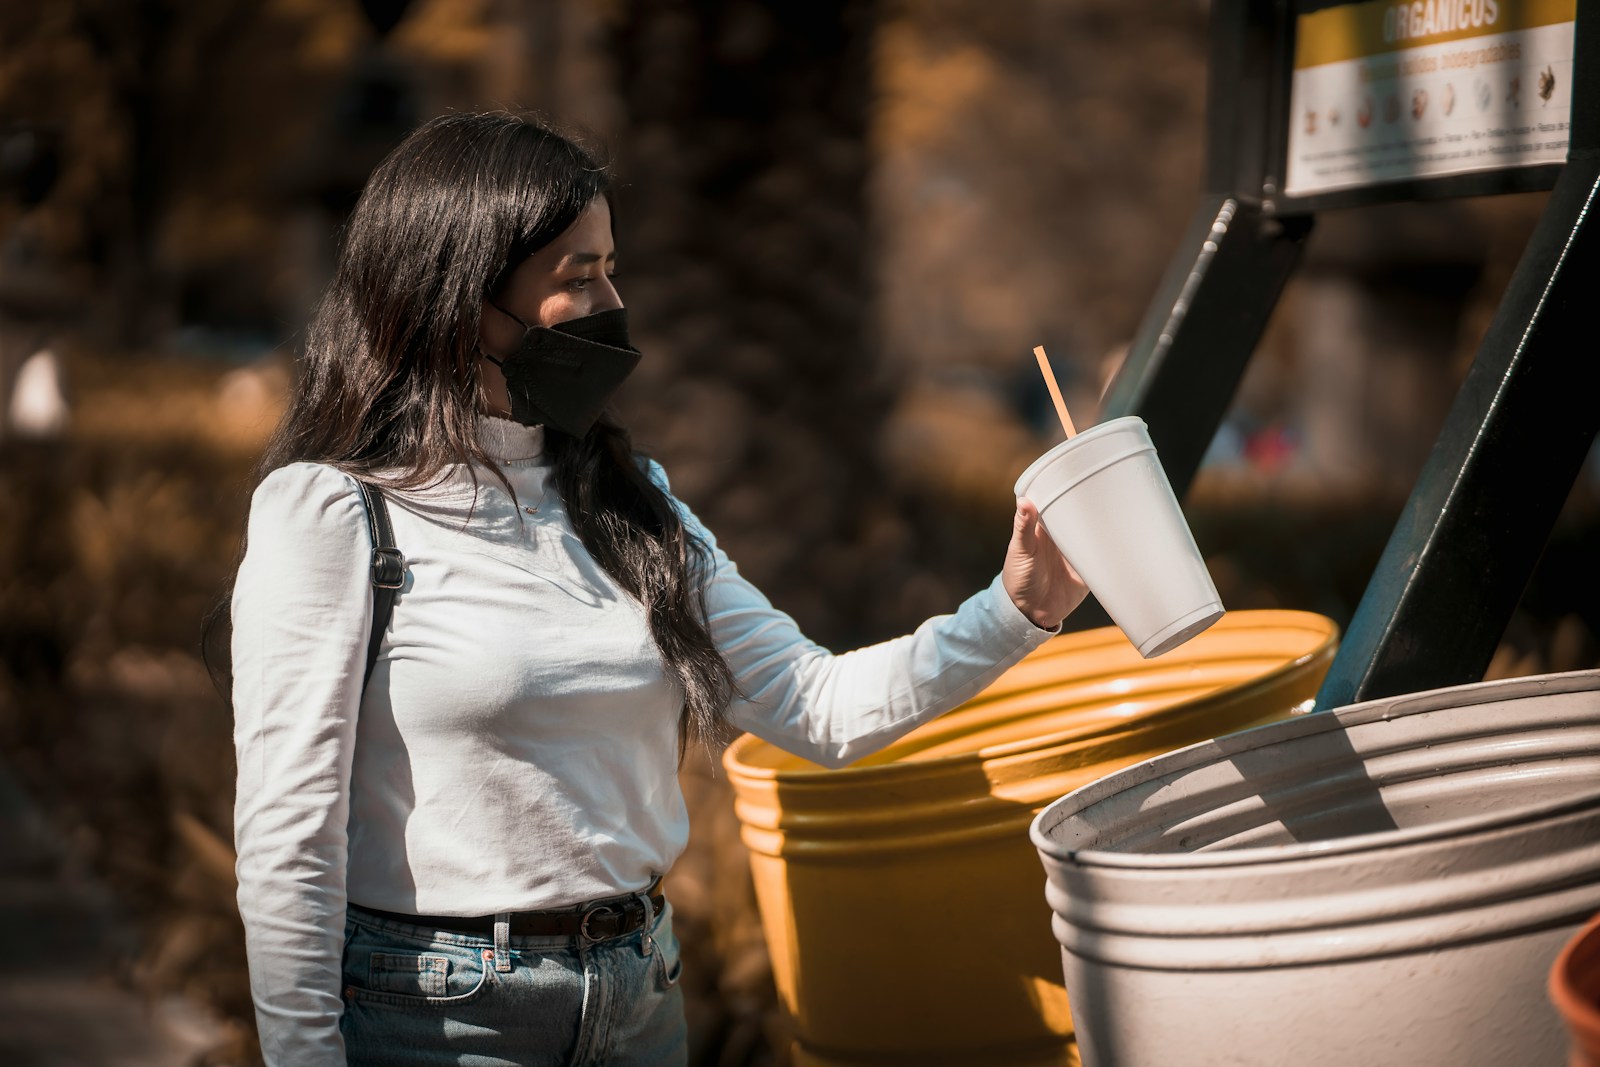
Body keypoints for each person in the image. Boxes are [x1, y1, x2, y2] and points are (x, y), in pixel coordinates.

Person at [228, 110, 1085, 1067]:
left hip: (641, 999)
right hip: (436, 1016)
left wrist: (1020, 606)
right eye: (578, 275)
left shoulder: (635, 505)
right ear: (459, 295)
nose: (611, 300)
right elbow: (288, 837)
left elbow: (818, 705)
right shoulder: (331, 514)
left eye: (611, 266)